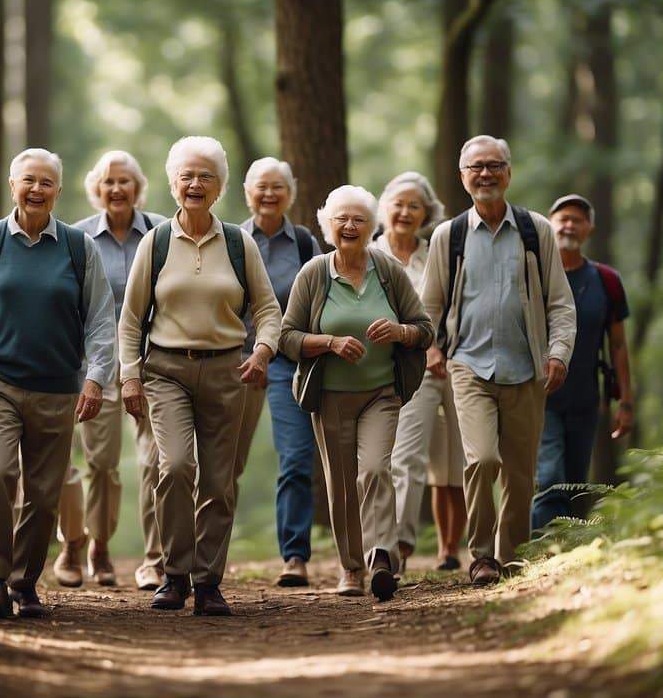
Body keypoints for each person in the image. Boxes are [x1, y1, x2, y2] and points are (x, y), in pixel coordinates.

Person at [0, 148, 116, 619]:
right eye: (28, 180)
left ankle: (26, 584)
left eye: (46, 182)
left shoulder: (79, 248)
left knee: (44, 494)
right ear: (12, 185)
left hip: (59, 389)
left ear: (58, 192)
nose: (36, 189)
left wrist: (96, 379)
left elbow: (101, 320)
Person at [118, 136, 281, 616]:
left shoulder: (237, 242)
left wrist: (264, 349)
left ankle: (208, 583)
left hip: (228, 369)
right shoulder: (157, 241)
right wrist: (130, 376)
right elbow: (130, 320)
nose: (195, 184)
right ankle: (174, 574)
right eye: (186, 176)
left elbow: (268, 309)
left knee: (218, 479)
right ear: (172, 185)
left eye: (205, 176)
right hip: (165, 371)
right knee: (174, 468)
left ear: (219, 187)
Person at [422, 135, 577, 586]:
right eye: (476, 167)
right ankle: (482, 554)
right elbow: (427, 306)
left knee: (520, 472)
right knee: (482, 459)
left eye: (494, 166)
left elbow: (561, 305)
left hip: (527, 367)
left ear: (508, 173)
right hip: (468, 365)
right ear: (462, 176)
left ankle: (511, 558)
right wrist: (431, 348)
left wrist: (558, 353)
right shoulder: (447, 236)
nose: (486, 174)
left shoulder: (536, 231)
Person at [279, 185, 433, 601]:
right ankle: (351, 568)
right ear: (328, 225)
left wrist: (401, 331)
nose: (350, 226)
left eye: (359, 219)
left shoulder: (388, 271)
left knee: (375, 471)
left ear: (371, 227)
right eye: (342, 219)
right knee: (342, 484)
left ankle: (380, 555)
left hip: (380, 393)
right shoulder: (314, 273)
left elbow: (425, 329)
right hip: (329, 395)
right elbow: (287, 337)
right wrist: (329, 343)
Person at [52, 150, 167, 590]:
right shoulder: (76, 238)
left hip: (155, 362)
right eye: (108, 182)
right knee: (100, 463)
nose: (117, 189)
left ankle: (155, 559)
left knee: (158, 462)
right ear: (96, 190)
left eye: (125, 181)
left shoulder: (162, 233)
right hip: (96, 364)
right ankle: (87, 545)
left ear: (138, 187)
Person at [234, 157, 322, 587]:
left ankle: (294, 556)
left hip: (289, 362)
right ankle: (204, 556)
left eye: (277, 187)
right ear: (247, 191)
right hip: (236, 362)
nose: (268, 195)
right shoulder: (230, 241)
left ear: (292, 192)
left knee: (296, 458)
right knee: (222, 464)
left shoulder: (306, 244)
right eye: (260, 187)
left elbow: (323, 299)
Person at [375, 171, 466, 573]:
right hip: (402, 367)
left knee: (457, 462)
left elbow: (457, 304)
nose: (405, 212)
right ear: (384, 208)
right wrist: (424, 348)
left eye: (415, 205)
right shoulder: (370, 254)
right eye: (398, 203)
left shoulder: (440, 252)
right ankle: (399, 548)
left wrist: (445, 350)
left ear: (427, 212)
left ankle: (452, 548)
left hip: (454, 360)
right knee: (406, 459)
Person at [531, 194, 633, 531]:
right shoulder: (535, 276)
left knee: (576, 480)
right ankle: (543, 547)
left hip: (585, 398)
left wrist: (626, 400)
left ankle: (570, 550)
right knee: (549, 474)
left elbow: (617, 344)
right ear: (550, 224)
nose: (569, 225)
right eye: (563, 218)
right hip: (538, 396)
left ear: (589, 228)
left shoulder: (606, 281)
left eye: (577, 219)